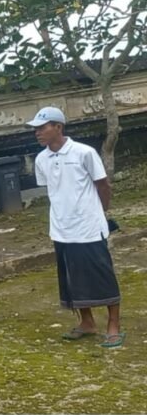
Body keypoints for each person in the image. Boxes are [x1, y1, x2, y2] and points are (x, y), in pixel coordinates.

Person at [29, 106, 124, 348]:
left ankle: (114, 325)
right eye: (36, 129)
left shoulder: (84, 153)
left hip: (89, 227)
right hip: (61, 228)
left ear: (58, 127)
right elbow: (53, 190)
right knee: (72, 279)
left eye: (42, 128)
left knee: (102, 275)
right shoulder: (41, 159)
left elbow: (103, 185)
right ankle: (87, 322)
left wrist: (100, 214)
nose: (37, 133)